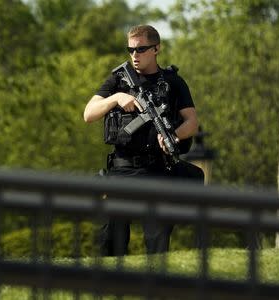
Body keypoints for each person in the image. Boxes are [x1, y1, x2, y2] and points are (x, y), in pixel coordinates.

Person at [83, 25, 204, 256]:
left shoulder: (172, 82)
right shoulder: (118, 80)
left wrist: (174, 136)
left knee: (157, 243)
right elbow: (88, 114)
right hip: (123, 169)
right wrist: (116, 98)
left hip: (157, 168)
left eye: (141, 49)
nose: (134, 55)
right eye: (130, 50)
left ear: (156, 48)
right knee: (110, 242)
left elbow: (192, 122)